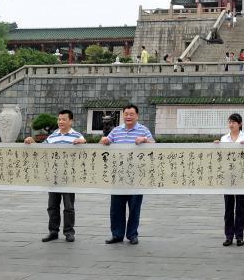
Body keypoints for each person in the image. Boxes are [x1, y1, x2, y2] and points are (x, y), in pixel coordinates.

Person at [25, 110, 86, 242]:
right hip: (53, 176)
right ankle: (53, 231)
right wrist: (32, 142)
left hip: (69, 176)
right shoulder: (52, 136)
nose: (60, 122)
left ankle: (69, 232)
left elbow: (85, 145)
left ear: (71, 121)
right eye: (59, 119)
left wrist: (82, 142)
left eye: (64, 119)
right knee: (52, 205)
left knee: (68, 206)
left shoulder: (77, 136)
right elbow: (42, 150)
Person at [99, 104, 155, 244]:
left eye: (131, 114)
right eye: (126, 114)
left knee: (134, 207)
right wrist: (104, 140)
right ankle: (117, 235)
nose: (128, 117)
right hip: (118, 175)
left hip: (137, 175)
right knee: (116, 207)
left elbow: (155, 146)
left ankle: (132, 235)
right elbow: (105, 142)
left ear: (137, 116)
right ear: (122, 115)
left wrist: (145, 140)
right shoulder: (116, 130)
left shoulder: (143, 130)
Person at [214, 113, 244, 246]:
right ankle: (229, 236)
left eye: (234, 122)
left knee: (240, 207)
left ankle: (239, 236)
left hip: (241, 176)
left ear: (240, 124)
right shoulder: (224, 138)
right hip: (227, 176)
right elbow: (220, 156)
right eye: (229, 122)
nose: (231, 124)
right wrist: (216, 146)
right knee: (228, 207)